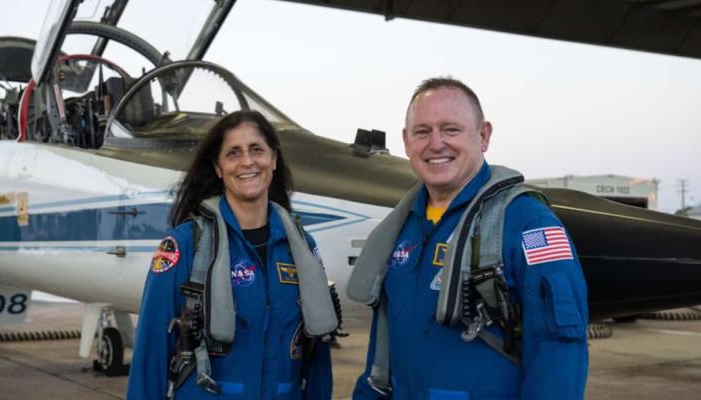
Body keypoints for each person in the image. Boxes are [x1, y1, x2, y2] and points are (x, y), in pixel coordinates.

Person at [349, 77, 588, 399]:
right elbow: (383, 345)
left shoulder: (528, 222)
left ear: (483, 135)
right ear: (406, 141)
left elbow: (560, 344)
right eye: (422, 131)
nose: (436, 144)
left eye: (450, 129)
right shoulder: (400, 227)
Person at [127, 111, 336, 399]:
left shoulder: (302, 248)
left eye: (257, 150)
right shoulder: (187, 246)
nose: (247, 162)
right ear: (218, 167)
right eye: (233, 153)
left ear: (273, 159)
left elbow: (316, 357)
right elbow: (150, 355)